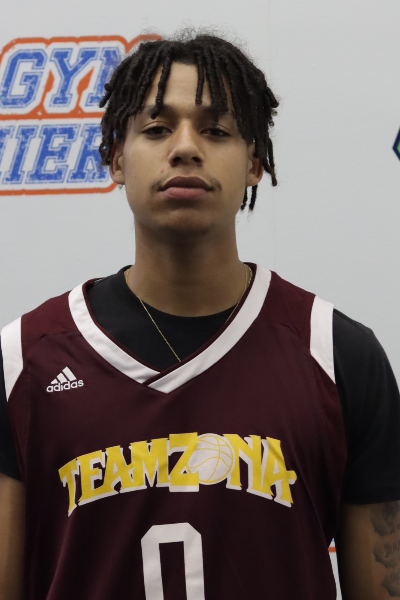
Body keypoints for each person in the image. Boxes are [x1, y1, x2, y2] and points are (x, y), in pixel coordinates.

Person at [1, 30, 400, 600]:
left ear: (255, 163)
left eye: (216, 130)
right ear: (116, 158)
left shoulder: (337, 355)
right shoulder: (23, 361)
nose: (186, 147)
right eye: (156, 128)